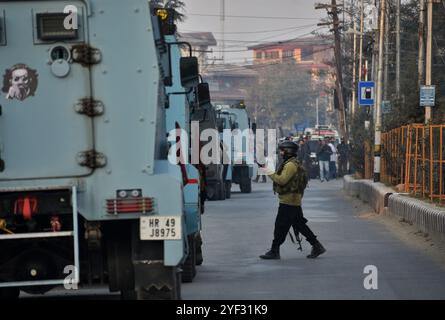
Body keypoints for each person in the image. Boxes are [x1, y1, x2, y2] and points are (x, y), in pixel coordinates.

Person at [259, 141, 326, 260]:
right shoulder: (293, 163)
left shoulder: (290, 165)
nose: (280, 153)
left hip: (288, 202)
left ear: (288, 151)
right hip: (293, 201)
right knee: (300, 225)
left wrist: (268, 171)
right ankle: (316, 246)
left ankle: (274, 251)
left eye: (282, 151)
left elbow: (282, 180)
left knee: (280, 226)